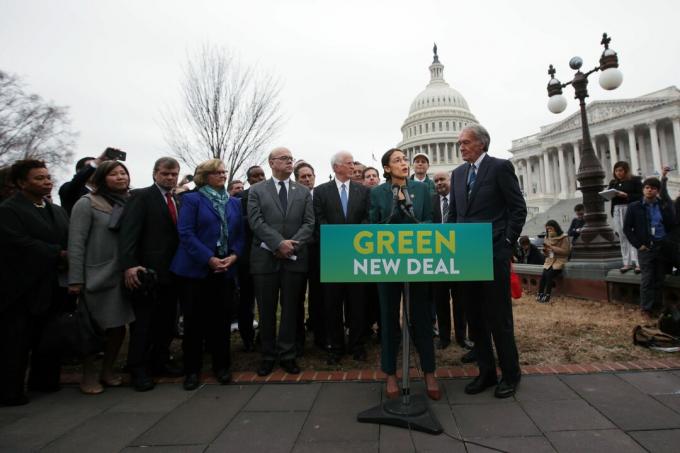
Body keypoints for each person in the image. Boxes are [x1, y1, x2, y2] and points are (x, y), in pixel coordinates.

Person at [447, 125, 527, 398]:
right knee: (476, 318)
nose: (461, 147)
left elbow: (518, 208)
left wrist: (507, 243)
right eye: (460, 143)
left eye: (466, 142)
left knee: (498, 317)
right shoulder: (457, 175)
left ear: (481, 144)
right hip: (467, 257)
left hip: (493, 253)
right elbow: (455, 216)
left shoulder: (500, 168)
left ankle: (511, 374)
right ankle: (486, 372)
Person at [369, 148, 440, 401]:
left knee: (421, 317)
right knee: (388, 318)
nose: (404, 163)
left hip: (417, 262)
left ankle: (429, 372)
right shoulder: (377, 193)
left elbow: (431, 221)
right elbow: (373, 225)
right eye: (397, 160)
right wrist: (393, 209)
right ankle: (390, 374)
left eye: (405, 160)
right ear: (387, 168)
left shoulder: (422, 189)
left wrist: (417, 223)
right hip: (387, 265)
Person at [170, 159, 245, 390]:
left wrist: (233, 256)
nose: (223, 175)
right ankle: (192, 370)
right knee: (194, 323)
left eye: (224, 172)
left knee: (221, 321)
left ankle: (222, 367)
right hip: (196, 270)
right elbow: (186, 234)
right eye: (217, 172)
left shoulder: (233, 203)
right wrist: (209, 259)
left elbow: (240, 235)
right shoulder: (192, 200)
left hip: (224, 269)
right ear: (205, 176)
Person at [0, 160, 69, 406]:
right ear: (21, 182)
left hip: (53, 284)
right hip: (21, 287)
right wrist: (56, 253)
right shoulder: (9, 210)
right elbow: (17, 243)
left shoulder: (56, 210)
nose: (47, 181)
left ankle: (45, 380)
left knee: (49, 337)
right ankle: (10, 390)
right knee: (16, 341)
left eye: (48, 177)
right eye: (39, 178)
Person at [68, 160, 135, 395]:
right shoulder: (87, 204)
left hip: (124, 275)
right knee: (93, 329)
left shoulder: (130, 202)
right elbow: (76, 243)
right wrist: (75, 279)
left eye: (123, 173)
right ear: (101, 178)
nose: (121, 177)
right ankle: (88, 375)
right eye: (114, 174)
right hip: (96, 275)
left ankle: (108, 370)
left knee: (118, 328)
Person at [247, 147, 314, 376]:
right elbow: (256, 222)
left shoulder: (303, 192)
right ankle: (267, 355)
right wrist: (278, 244)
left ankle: (287, 354)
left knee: (290, 309)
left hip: (294, 259)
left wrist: (291, 245)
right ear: (271, 162)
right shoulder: (256, 191)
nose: (289, 162)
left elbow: (309, 224)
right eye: (284, 159)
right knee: (265, 310)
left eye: (290, 158)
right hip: (265, 260)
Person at [118, 157, 182, 392]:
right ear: (155, 173)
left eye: (174, 174)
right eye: (165, 173)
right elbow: (129, 234)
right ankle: (138, 368)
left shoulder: (176, 199)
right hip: (146, 272)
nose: (170, 177)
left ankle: (160, 361)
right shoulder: (141, 197)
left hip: (172, 272)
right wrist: (129, 265)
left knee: (166, 322)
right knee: (144, 324)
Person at [314, 151, 370, 365]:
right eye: (348, 163)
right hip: (333, 256)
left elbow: (367, 217)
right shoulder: (320, 192)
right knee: (332, 304)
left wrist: (355, 239)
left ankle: (357, 345)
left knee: (357, 303)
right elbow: (319, 219)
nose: (353, 166)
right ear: (336, 167)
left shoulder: (363, 191)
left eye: (353, 162)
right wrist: (338, 240)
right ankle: (335, 347)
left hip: (357, 256)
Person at [624, 176, 676, 316]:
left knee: (660, 278)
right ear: (643, 190)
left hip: (662, 246)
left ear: (657, 191)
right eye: (647, 188)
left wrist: (667, 241)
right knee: (647, 278)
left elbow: (672, 225)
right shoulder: (634, 207)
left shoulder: (664, 205)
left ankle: (657, 307)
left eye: (652, 188)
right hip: (646, 247)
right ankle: (646, 308)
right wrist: (638, 245)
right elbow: (627, 228)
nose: (649, 190)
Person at [432, 171, 469, 350]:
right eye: (436, 181)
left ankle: (462, 336)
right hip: (438, 259)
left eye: (442, 179)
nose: (439, 183)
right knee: (440, 300)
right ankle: (444, 337)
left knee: (460, 299)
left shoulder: (461, 199)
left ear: (450, 180)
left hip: (459, 256)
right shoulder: (431, 203)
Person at [293, 161, 324, 352]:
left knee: (318, 296)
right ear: (296, 180)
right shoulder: (292, 197)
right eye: (302, 177)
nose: (306, 179)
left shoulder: (320, 196)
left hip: (319, 252)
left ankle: (319, 333)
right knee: (296, 297)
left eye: (309, 175)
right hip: (297, 251)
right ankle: (297, 340)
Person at [234, 165, 266, 352]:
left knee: (266, 300)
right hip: (246, 256)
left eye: (262, 175)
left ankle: (264, 334)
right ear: (249, 179)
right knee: (246, 299)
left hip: (266, 253)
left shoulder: (270, 196)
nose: (259, 178)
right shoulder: (239, 198)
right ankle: (247, 336)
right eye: (255, 176)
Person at [59, 149, 121, 214]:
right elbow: (77, 182)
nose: (94, 170)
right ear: (79, 171)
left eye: (98, 167)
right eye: (91, 167)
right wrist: (99, 160)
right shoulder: (69, 188)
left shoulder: (106, 192)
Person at [608, 161, 643, 273]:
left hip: (630, 209)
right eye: (616, 170)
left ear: (626, 170)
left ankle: (638, 263)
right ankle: (626, 263)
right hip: (617, 210)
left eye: (621, 170)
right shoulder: (613, 183)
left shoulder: (634, 180)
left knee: (632, 235)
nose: (618, 173)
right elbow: (607, 197)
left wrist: (627, 195)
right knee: (622, 237)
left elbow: (641, 196)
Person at [536, 220, 571, 303]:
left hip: (560, 260)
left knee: (549, 274)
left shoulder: (564, 237)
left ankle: (547, 295)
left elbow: (566, 251)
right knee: (544, 275)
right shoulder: (547, 237)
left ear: (556, 228)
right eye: (547, 229)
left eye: (550, 229)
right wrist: (545, 251)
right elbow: (547, 253)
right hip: (550, 260)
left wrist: (552, 248)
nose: (549, 231)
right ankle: (540, 293)